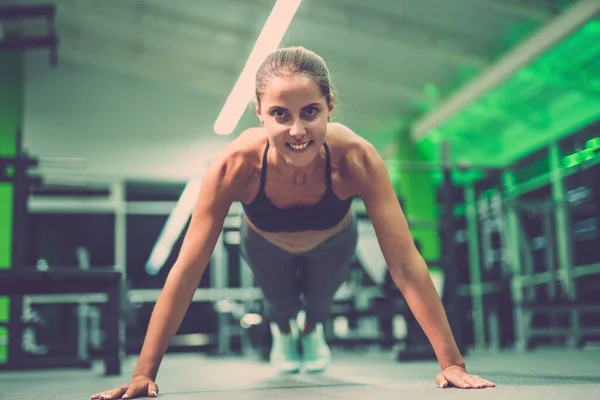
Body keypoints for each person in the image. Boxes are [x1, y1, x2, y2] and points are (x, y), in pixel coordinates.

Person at [91, 46, 495, 399]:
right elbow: (187, 269)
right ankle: (286, 333)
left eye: (310, 112)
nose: (297, 130)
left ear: (330, 107)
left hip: (333, 242)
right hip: (264, 243)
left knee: (319, 305)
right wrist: (144, 373)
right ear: (260, 113)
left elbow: (405, 265)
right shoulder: (235, 165)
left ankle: (311, 331)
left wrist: (452, 363)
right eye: (280, 114)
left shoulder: (357, 158)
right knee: (281, 305)